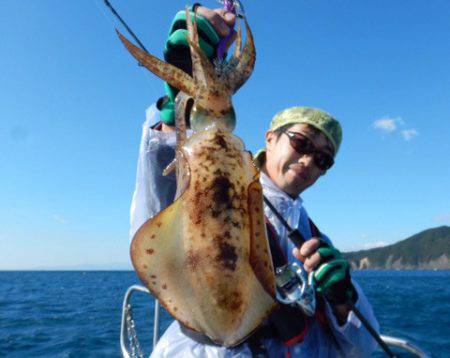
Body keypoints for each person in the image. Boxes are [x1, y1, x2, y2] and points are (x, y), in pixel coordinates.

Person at [129, 5, 379, 357]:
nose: (308, 160)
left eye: (323, 159)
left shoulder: (315, 240)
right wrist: (175, 119)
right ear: (270, 138)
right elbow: (159, 205)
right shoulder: (217, 178)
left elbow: (366, 344)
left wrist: (343, 301)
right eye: (301, 142)